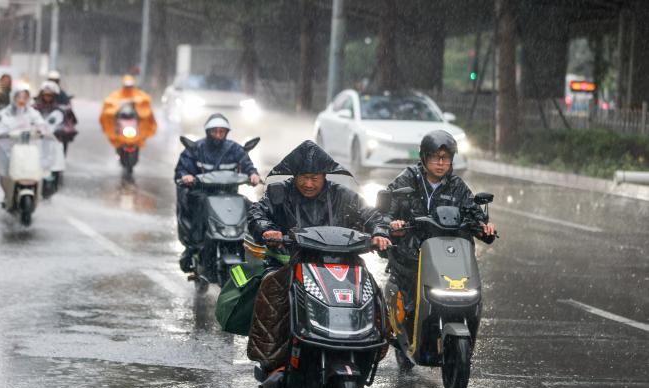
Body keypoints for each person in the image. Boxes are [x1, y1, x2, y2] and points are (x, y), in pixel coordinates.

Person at [246, 140, 392, 373]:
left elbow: (372, 215)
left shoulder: (343, 195)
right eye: (303, 177)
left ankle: (372, 347)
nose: (309, 183)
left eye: (315, 177)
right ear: (294, 176)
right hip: (292, 261)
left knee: (372, 292)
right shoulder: (279, 194)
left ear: (325, 176)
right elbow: (257, 213)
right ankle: (272, 360)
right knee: (271, 286)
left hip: (342, 263)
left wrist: (379, 233)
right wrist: (266, 230)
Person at [385, 130, 495, 341]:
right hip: (411, 254)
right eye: (436, 157)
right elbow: (385, 210)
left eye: (446, 158)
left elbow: (474, 214)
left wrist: (484, 227)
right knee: (409, 305)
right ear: (424, 157)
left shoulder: (458, 186)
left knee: (467, 293)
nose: (441, 163)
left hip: (447, 257)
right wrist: (393, 223)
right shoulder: (408, 179)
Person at [174, 113, 261, 271]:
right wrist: (185, 176)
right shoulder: (195, 149)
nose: (218, 135)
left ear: (227, 132)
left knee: (253, 208)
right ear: (208, 132)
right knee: (200, 206)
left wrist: (253, 175)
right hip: (202, 194)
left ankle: (254, 244)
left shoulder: (234, 149)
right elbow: (182, 169)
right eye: (215, 131)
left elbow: (247, 165)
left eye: (222, 132)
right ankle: (195, 246)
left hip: (230, 194)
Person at [99, 74, 157, 152]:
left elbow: (146, 104)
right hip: (121, 123)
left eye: (130, 86)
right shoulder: (116, 95)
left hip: (134, 123)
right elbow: (109, 103)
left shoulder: (139, 95)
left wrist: (138, 103)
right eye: (127, 86)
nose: (128, 88)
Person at [34, 80, 78, 154]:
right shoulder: (34, 109)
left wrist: (61, 130)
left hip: (56, 141)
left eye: (50, 95)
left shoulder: (61, 110)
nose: (47, 97)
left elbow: (70, 124)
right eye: (45, 95)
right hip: (39, 141)